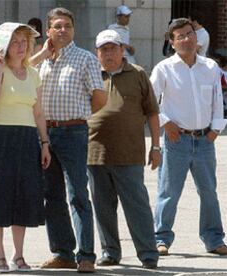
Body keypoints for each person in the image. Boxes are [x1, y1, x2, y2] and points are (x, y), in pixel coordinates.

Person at [0, 23, 51, 273]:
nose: (21, 46)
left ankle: (19, 255)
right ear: (4, 45)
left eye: (24, 41)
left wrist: (44, 142)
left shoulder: (32, 73)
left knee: (21, 199)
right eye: (15, 41)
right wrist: (1, 69)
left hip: (26, 141)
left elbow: (38, 111)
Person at [30, 7, 107, 273]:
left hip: (74, 133)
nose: (63, 30)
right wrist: (41, 54)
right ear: (48, 30)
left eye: (68, 26)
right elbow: (18, 74)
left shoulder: (84, 58)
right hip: (44, 135)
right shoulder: (39, 61)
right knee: (51, 195)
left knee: (78, 194)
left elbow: (99, 97)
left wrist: (79, 117)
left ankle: (86, 254)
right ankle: (62, 252)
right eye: (58, 26)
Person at [150, 18, 227, 256]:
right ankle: (161, 238)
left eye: (190, 33)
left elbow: (217, 100)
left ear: (197, 37)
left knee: (209, 192)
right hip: (176, 140)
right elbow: (150, 102)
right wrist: (166, 123)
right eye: (180, 36)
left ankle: (214, 239)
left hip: (205, 140)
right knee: (169, 192)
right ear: (172, 43)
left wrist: (216, 129)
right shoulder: (164, 68)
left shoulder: (211, 67)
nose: (186, 39)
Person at [87, 29, 160, 270]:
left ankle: (148, 253)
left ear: (122, 50)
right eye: (103, 49)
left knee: (137, 206)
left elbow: (152, 112)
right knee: (103, 208)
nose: (108, 53)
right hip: (95, 153)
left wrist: (156, 146)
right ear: (97, 53)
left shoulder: (137, 74)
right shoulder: (90, 75)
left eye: (112, 48)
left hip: (130, 154)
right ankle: (109, 252)